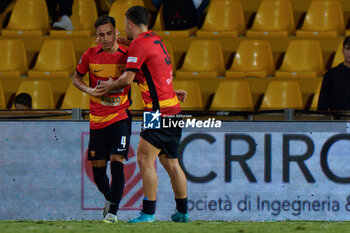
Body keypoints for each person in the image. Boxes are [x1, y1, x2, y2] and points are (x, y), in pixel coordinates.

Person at [95, 6, 190, 223]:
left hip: (157, 114)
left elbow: (128, 79)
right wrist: (173, 91)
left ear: (129, 24)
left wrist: (109, 86)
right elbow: (155, 74)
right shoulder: (156, 40)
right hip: (173, 109)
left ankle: (148, 213)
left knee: (145, 159)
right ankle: (182, 212)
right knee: (172, 162)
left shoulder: (139, 44)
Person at [72, 15, 131, 223]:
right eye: (101, 35)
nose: (105, 38)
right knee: (98, 173)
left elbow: (149, 72)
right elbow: (76, 78)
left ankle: (113, 213)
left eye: (109, 33)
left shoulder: (128, 54)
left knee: (117, 161)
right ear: (96, 37)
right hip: (97, 119)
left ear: (116, 32)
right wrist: (89, 90)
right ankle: (109, 199)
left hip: (120, 116)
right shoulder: (90, 54)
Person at [318, 36, 350, 111]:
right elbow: (322, 104)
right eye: (348, 49)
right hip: (337, 120)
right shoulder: (331, 74)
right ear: (343, 51)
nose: (349, 53)